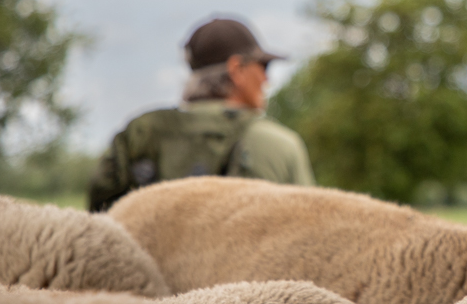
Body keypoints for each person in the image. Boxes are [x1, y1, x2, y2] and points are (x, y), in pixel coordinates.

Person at [87, 18, 314, 212]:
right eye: (263, 67)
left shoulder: (140, 135)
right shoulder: (278, 144)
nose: (267, 80)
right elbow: (313, 236)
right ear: (237, 70)